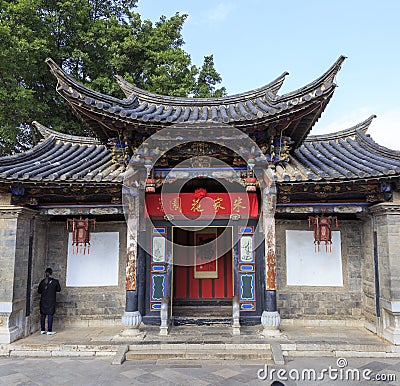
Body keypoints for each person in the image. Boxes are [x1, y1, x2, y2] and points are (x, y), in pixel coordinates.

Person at [38, 267, 61, 335]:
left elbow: (39, 291)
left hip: (43, 300)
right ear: (51, 273)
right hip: (51, 301)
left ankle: (42, 329)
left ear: (45, 273)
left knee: (43, 315)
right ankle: (49, 330)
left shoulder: (42, 281)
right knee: (50, 315)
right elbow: (59, 289)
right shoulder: (55, 281)